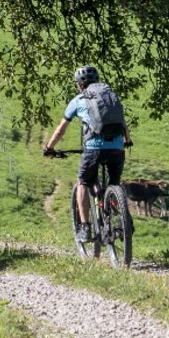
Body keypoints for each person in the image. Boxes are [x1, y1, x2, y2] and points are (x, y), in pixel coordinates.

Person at [42, 64, 131, 227]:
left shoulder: (78, 100)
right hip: (117, 149)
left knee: (82, 182)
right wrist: (127, 140)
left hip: (94, 149)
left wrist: (49, 148)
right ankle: (122, 219)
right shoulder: (111, 97)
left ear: (79, 84)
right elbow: (123, 122)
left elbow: (61, 129)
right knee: (114, 184)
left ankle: (85, 227)